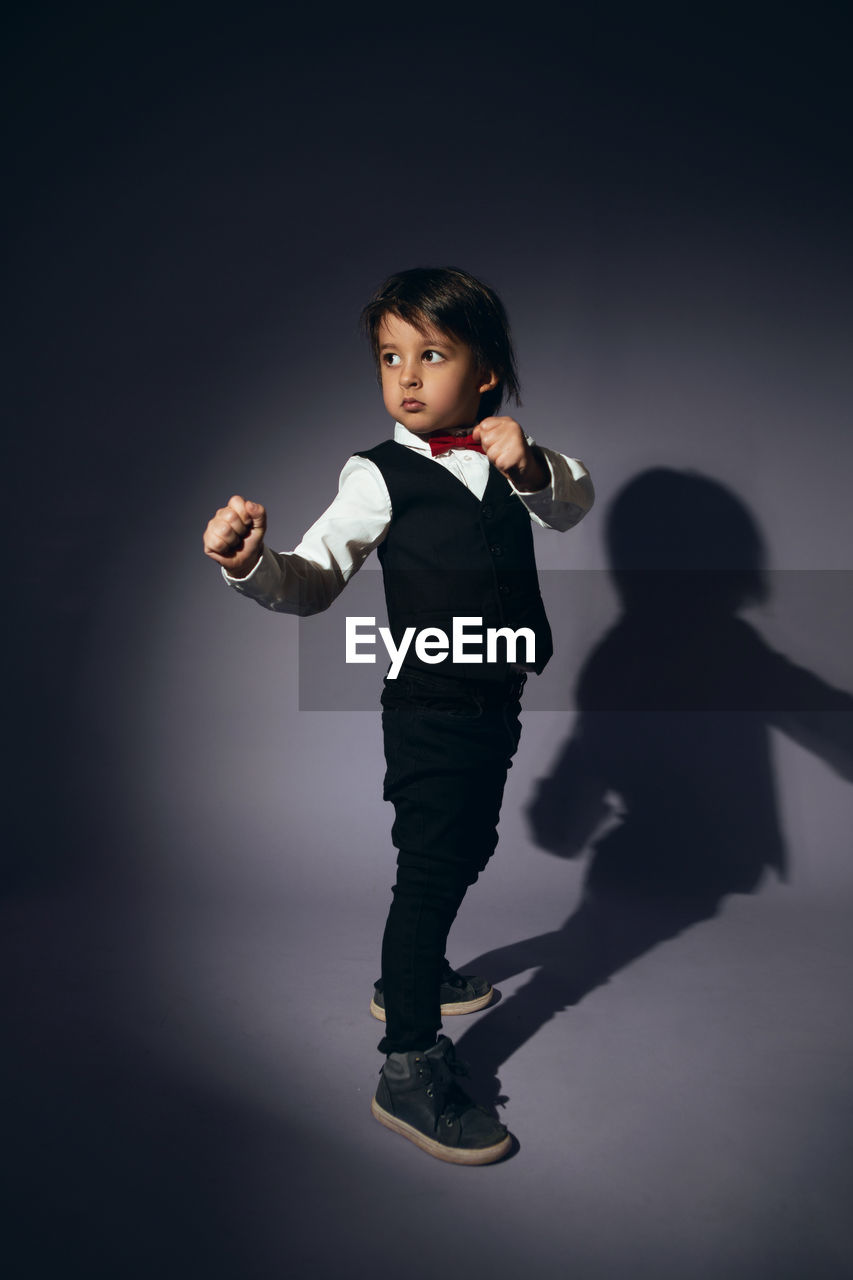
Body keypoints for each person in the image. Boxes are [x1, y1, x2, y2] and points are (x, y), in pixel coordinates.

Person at [202, 266, 594, 1163]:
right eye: (390, 356)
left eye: (431, 354)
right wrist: (249, 564)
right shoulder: (375, 476)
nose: (407, 376)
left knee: (468, 846)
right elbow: (310, 584)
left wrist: (528, 463)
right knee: (428, 866)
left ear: (486, 373)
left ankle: (404, 978)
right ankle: (407, 1065)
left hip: (496, 695)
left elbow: (572, 503)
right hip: (428, 704)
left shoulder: (513, 463)